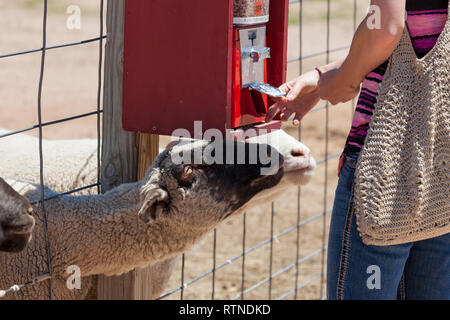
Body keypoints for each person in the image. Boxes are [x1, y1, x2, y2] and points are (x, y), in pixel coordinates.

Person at [267, 0, 449, 299]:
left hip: (386, 168)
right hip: (441, 164)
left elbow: (387, 27)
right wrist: (326, 74)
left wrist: (343, 80)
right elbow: (420, 32)